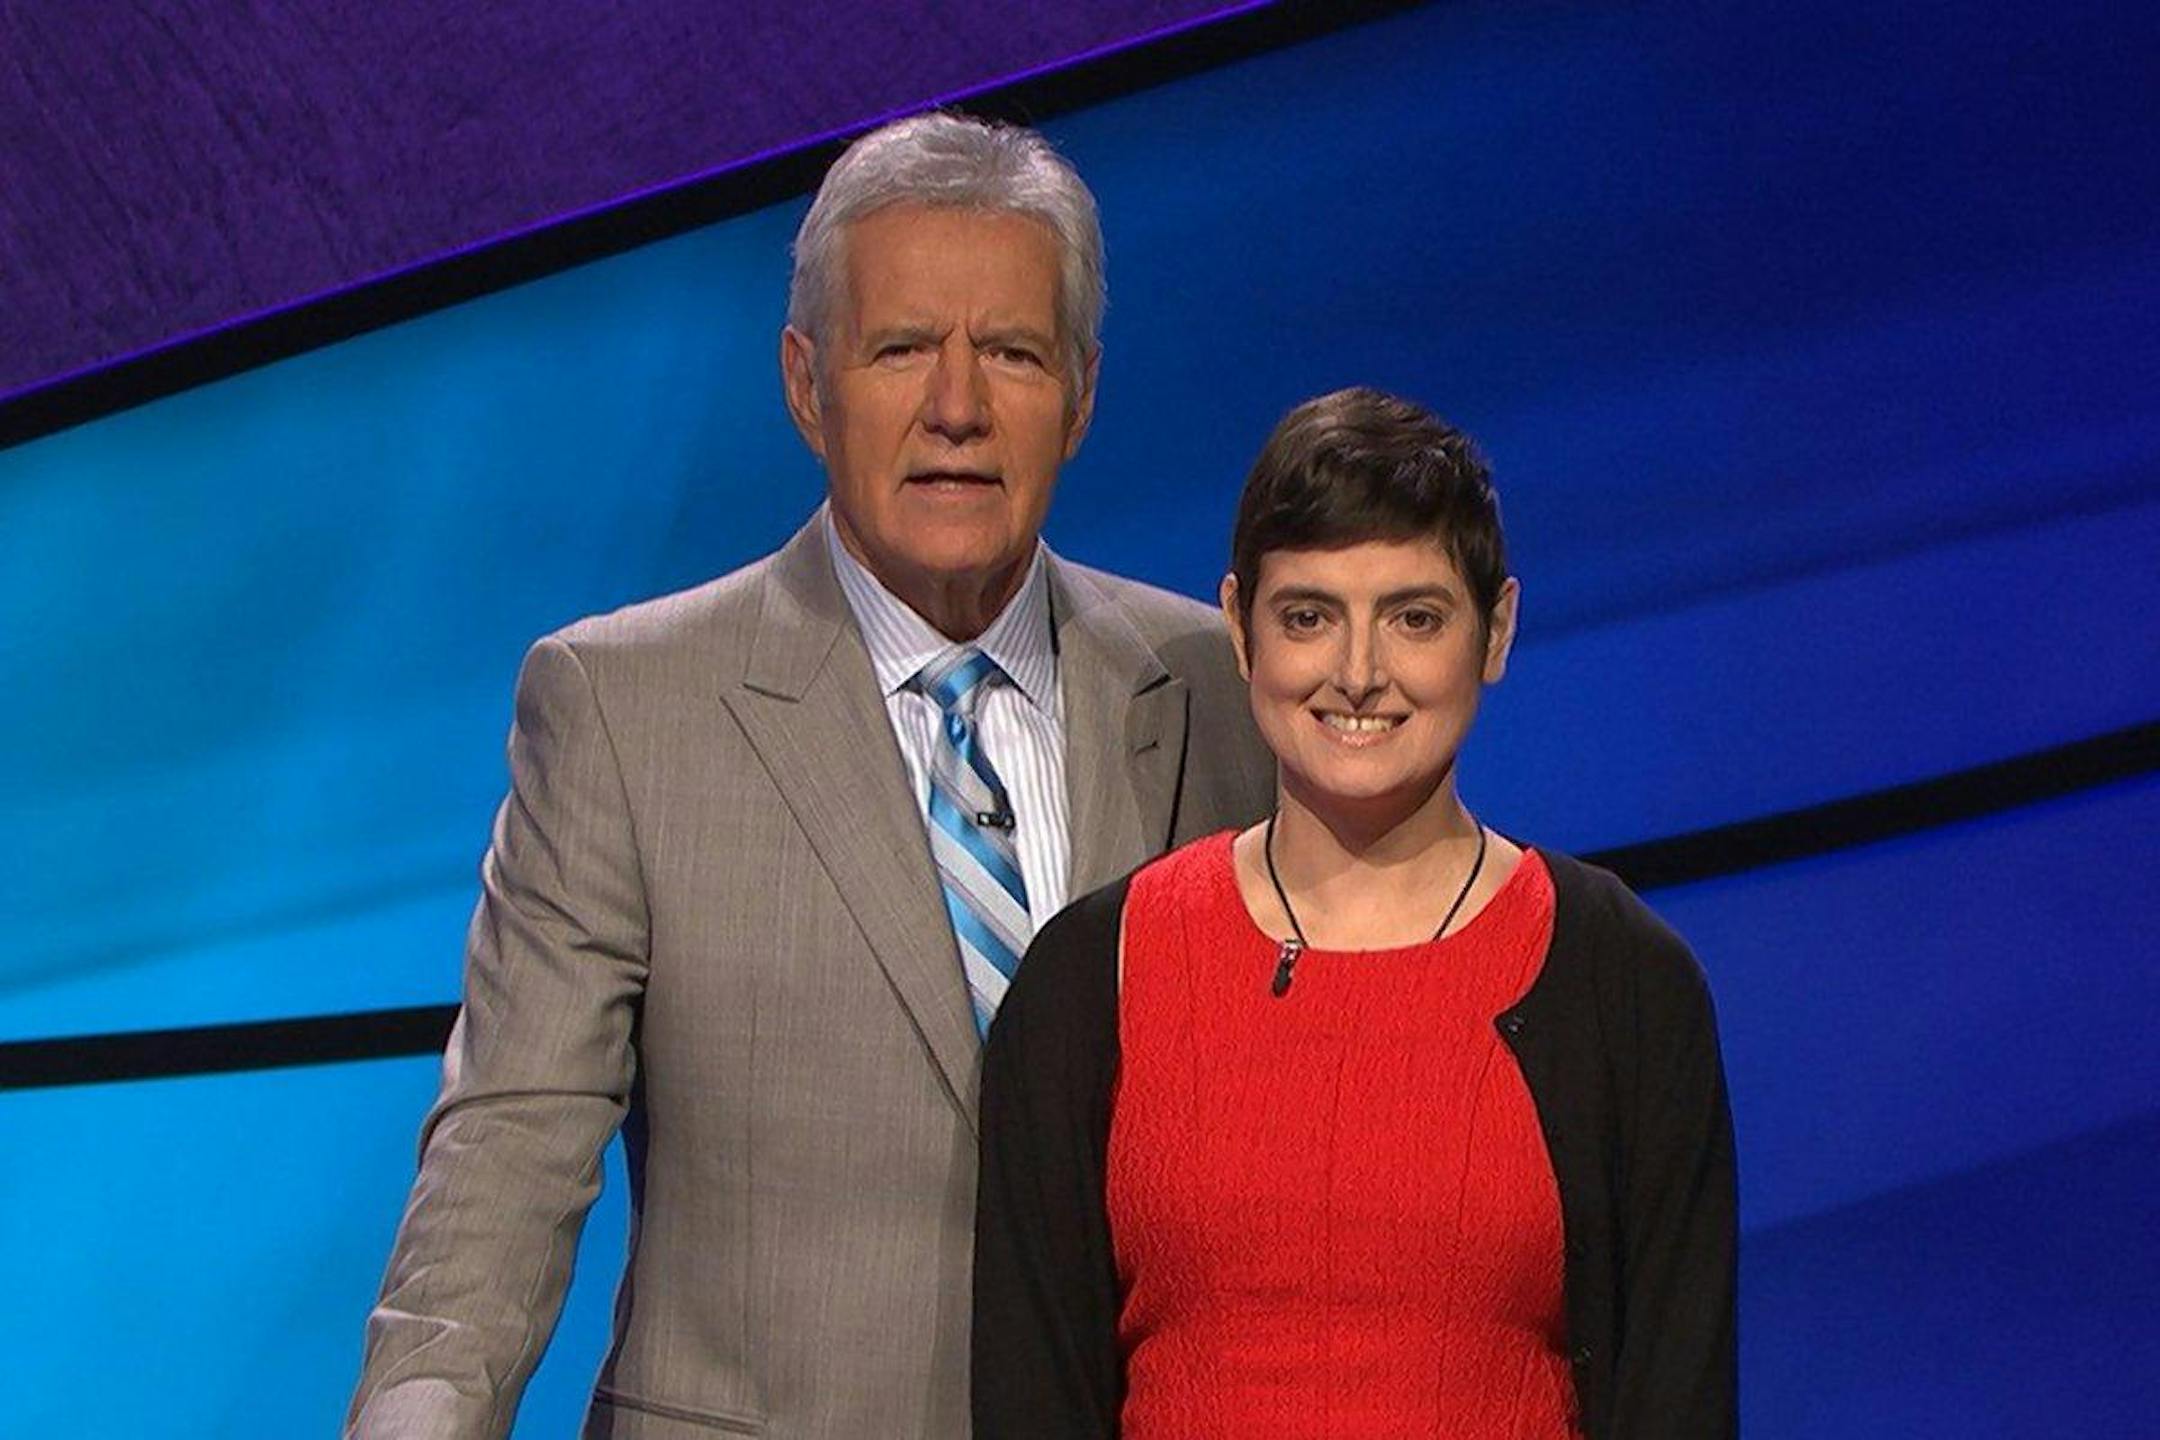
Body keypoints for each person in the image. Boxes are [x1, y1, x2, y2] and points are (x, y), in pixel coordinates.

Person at [347, 113, 1275, 1440]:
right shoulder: (623, 705)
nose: (957, 408)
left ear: (1081, 393)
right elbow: (508, 1152)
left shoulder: (1217, 688)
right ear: (804, 384)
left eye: (1012, 352)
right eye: (901, 349)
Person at [973, 386, 1738, 1440]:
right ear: (1239, 628)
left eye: (1415, 618)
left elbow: (1677, 1399)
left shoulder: (1623, 981)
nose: (1359, 674)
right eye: (1309, 617)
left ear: (1497, 630)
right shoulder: (1092, 977)